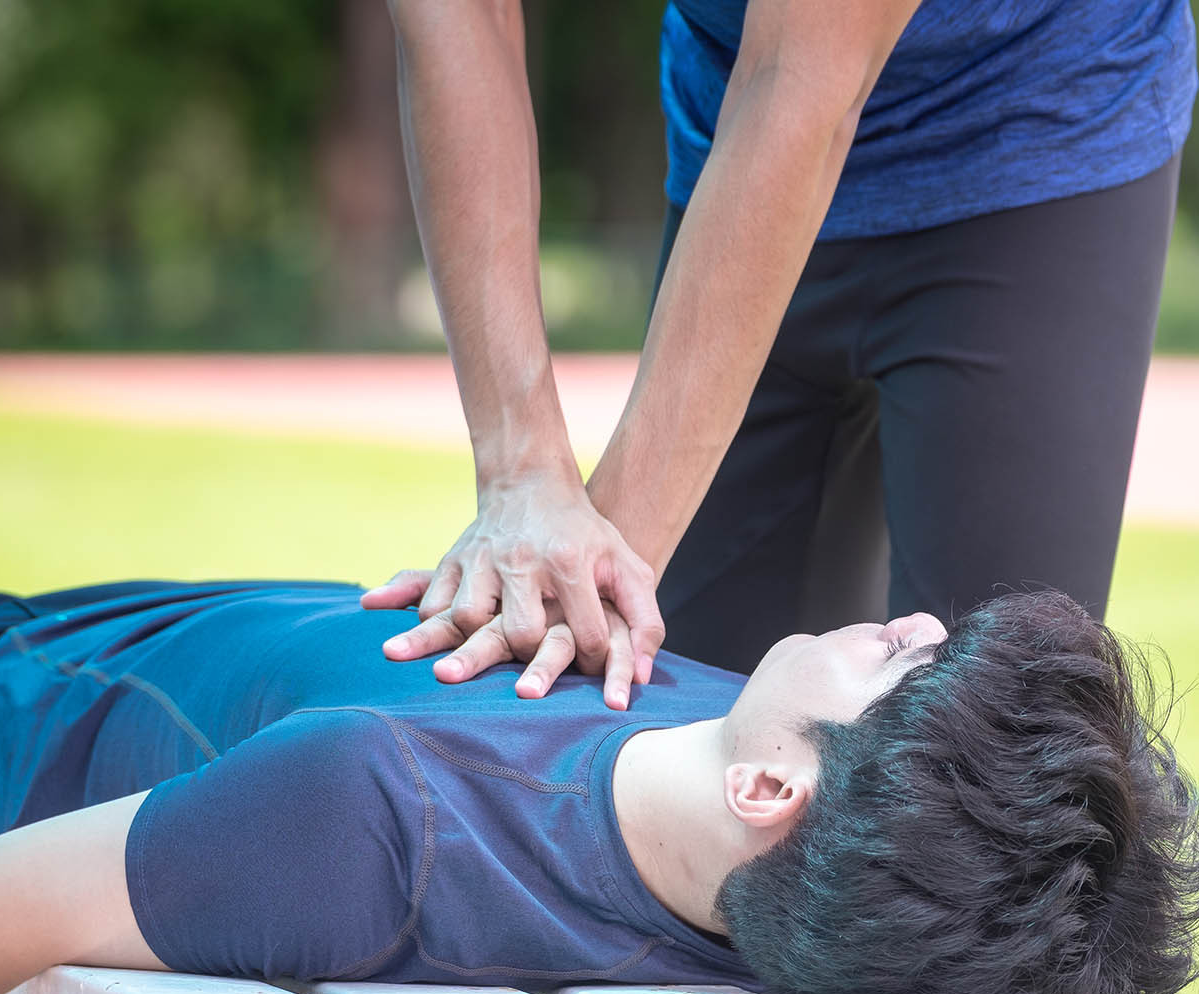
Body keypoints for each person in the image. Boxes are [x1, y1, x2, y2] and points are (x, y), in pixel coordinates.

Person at [0, 575, 1195, 994]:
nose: (917, 624)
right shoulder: (756, 817)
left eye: (907, 673)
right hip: (132, 638)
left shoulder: (384, 818)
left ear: (772, 797)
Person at [370, 0, 1198, 706]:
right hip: (730, 135)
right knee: (673, 715)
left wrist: (589, 590)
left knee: (991, 757)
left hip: (1033, 128)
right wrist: (523, 479)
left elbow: (801, 83)